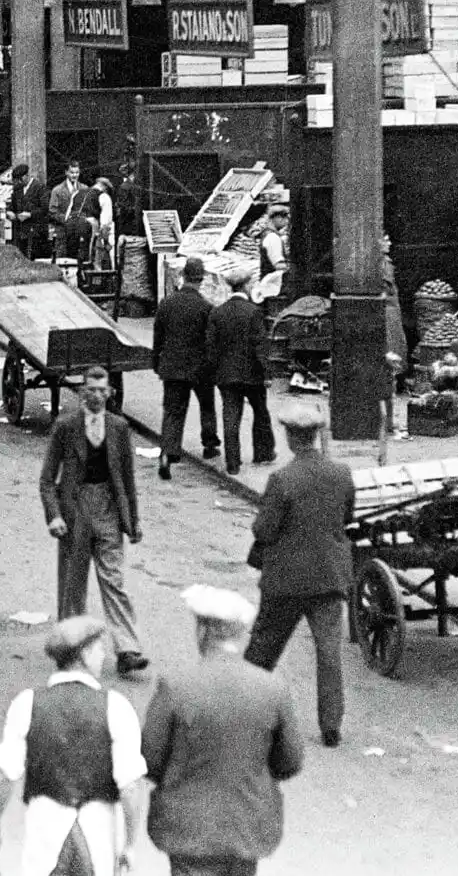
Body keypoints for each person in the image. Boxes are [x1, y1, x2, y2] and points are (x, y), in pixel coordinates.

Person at [142, 585, 304, 876]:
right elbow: (290, 762)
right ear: (241, 636)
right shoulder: (272, 688)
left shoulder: (176, 686)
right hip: (247, 827)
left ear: (202, 632)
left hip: (188, 830)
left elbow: (150, 760)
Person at [0, 615, 147, 876]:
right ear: (85, 655)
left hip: (44, 837)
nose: (104, 655)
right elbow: (130, 787)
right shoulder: (116, 706)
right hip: (97, 838)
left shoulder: (27, 703)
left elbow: (5, 776)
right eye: (99, 649)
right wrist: (130, 846)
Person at [244, 399, 355, 748]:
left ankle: (245, 712)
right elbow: (347, 517)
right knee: (329, 653)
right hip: (328, 577)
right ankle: (331, 726)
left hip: (286, 581)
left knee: (264, 649)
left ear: (291, 437)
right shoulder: (342, 474)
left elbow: (264, 530)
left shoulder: (282, 480)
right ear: (316, 435)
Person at [39, 366, 148, 676]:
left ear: (110, 392)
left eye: (102, 390)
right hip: (74, 509)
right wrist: (54, 515)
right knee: (73, 584)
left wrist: (133, 521)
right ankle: (71, 647)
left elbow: (127, 478)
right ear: (82, 391)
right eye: (91, 390)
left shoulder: (118, 427)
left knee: (114, 581)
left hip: (108, 508)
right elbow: (47, 479)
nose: (97, 396)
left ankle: (127, 649)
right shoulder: (66, 426)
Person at [152, 257, 220, 480]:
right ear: (201, 279)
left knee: (173, 411)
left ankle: (168, 452)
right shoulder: (206, 307)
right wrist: (213, 366)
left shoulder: (166, 304)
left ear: (183, 276)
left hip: (172, 365)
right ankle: (210, 445)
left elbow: (158, 336)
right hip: (200, 368)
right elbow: (211, 342)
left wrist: (156, 361)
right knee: (207, 406)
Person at [204, 267, 275, 475]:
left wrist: (213, 372)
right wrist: (266, 372)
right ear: (246, 286)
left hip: (226, 375)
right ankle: (263, 453)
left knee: (230, 417)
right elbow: (260, 345)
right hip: (252, 374)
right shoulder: (254, 312)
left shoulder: (217, 312)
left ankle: (233, 462)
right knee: (260, 413)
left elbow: (211, 347)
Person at [381, 233, 409, 439]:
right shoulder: (384, 263)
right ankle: (389, 423)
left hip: (389, 312)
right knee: (390, 362)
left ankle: (388, 421)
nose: (389, 242)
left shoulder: (381, 261)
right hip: (388, 314)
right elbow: (387, 287)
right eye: (385, 239)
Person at [7, 163, 48, 257]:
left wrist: (30, 215)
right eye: (17, 180)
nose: (18, 182)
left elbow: (45, 209)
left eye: (20, 179)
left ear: (26, 176)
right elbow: (12, 206)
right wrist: (9, 212)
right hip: (20, 232)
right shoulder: (17, 189)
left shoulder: (40, 187)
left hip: (36, 232)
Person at [257, 205, 291, 307]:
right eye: (285, 218)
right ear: (278, 218)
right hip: (274, 287)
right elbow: (278, 265)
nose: (286, 222)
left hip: (269, 286)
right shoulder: (273, 238)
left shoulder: (266, 234)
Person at [49, 160, 86, 253]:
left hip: (79, 234)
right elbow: (52, 211)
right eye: (72, 172)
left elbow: (87, 209)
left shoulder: (84, 189)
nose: (74, 175)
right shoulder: (57, 190)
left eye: (77, 172)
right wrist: (66, 219)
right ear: (66, 172)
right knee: (62, 258)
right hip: (62, 234)